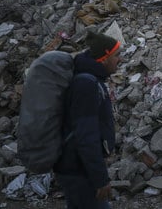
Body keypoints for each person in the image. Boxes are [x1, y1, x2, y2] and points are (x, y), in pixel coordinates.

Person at [54, 31, 123, 209]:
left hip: (77, 167)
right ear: (104, 57)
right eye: (116, 55)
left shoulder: (90, 80)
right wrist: (100, 179)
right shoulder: (86, 84)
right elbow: (86, 135)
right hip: (78, 170)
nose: (120, 60)